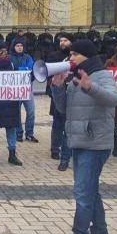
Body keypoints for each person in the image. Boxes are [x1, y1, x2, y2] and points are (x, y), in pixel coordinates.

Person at [51, 39, 117, 234]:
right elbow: (63, 110)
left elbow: (113, 99)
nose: (70, 58)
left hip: (96, 142)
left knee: (82, 192)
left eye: (74, 54)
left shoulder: (102, 76)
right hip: (78, 141)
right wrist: (58, 87)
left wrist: (90, 88)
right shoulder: (76, 78)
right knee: (91, 190)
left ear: (86, 56)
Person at [48, 33, 74, 171]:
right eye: (61, 41)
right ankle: (54, 149)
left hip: (72, 96)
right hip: (58, 94)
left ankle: (67, 153)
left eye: (65, 40)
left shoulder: (76, 58)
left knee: (68, 127)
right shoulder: (54, 56)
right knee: (57, 123)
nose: (62, 43)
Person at [10, 37, 37, 143]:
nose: (19, 47)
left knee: (31, 112)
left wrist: (21, 70)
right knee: (17, 113)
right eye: (17, 46)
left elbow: (31, 69)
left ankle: (29, 134)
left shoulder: (28, 57)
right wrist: (23, 70)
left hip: (27, 88)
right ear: (14, 47)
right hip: (15, 89)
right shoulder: (10, 58)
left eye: (21, 46)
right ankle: (18, 133)